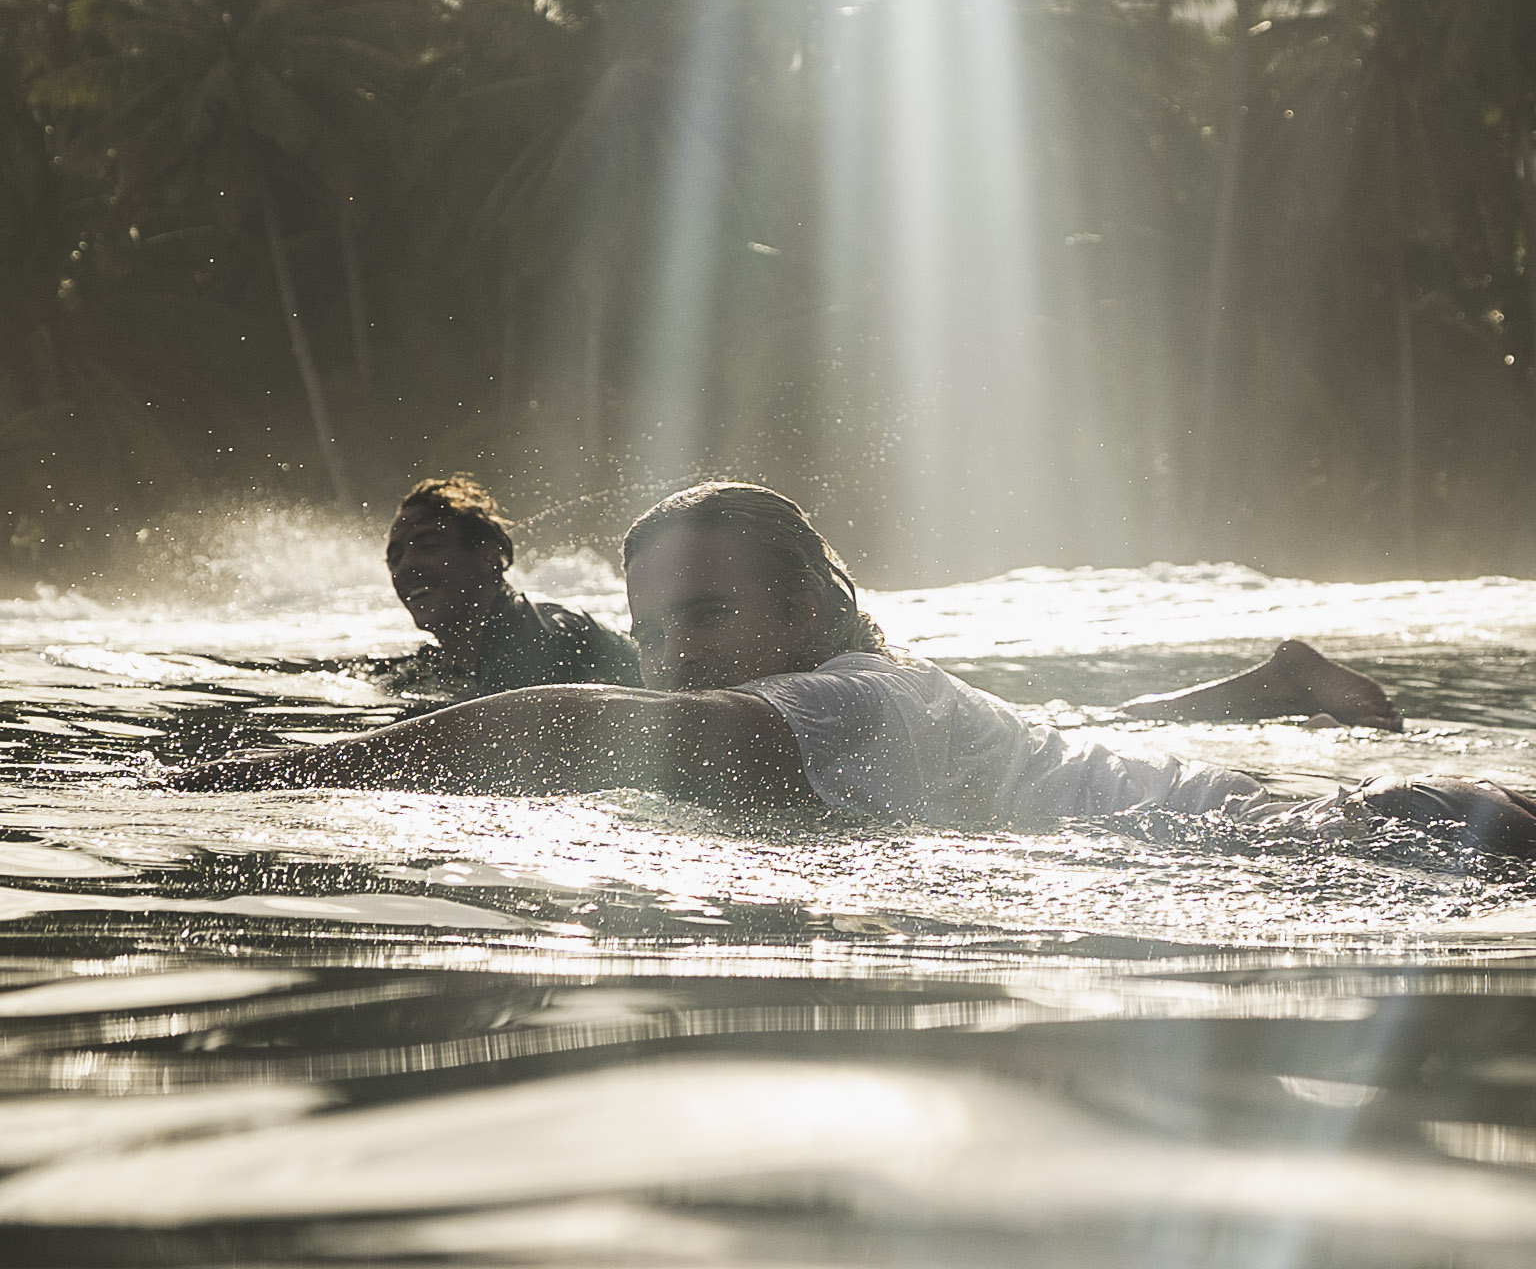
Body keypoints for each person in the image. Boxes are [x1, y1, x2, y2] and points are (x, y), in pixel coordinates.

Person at [171, 482, 1536, 855]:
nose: (672, 659)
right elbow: (1081, 735)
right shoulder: (903, 699)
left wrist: (249, 781)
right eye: (654, 632)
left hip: (1387, 842)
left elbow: (559, 728)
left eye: (704, 618)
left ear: (815, 599)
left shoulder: (847, 698)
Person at [384, 475, 641, 693]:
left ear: (488, 557)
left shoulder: (542, 643)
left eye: (429, 546)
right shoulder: (436, 665)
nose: (405, 567)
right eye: (394, 559)